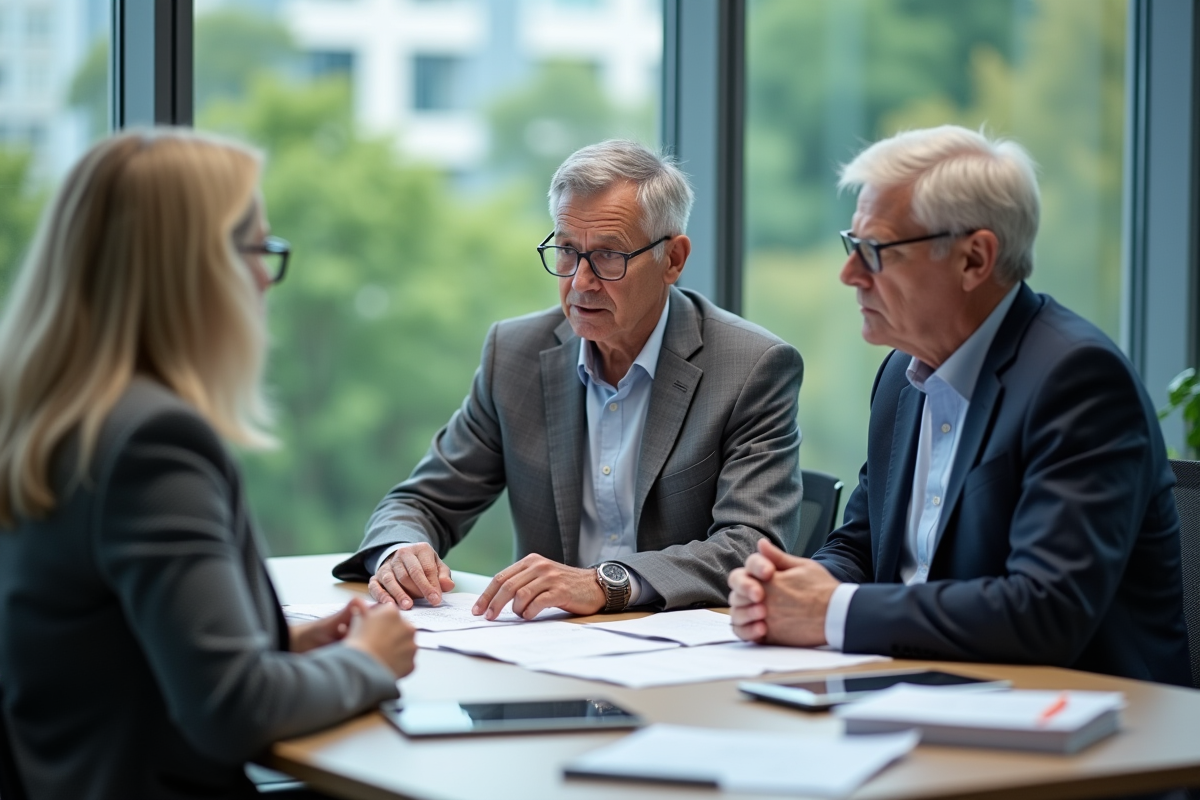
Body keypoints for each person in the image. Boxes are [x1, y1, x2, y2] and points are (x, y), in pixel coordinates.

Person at [0, 129, 417, 800]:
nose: (263, 276)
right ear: (189, 266)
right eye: (257, 248)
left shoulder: (48, 418)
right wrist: (368, 662)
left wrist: (284, 648)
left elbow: (110, 653)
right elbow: (231, 708)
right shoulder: (153, 441)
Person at [729, 125, 1192, 686]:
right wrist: (789, 588)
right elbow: (862, 545)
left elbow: (1045, 610)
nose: (849, 274)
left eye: (875, 252)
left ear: (974, 259)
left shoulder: (1078, 380)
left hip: (1081, 727)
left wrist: (830, 611)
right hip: (920, 693)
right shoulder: (904, 370)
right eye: (853, 246)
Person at [337, 139, 803, 619]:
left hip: (678, 664)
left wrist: (607, 583)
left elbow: (750, 544)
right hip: (549, 657)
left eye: (608, 256)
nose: (580, 281)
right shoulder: (515, 353)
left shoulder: (752, 366)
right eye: (566, 251)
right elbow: (421, 501)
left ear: (673, 259)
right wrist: (401, 551)